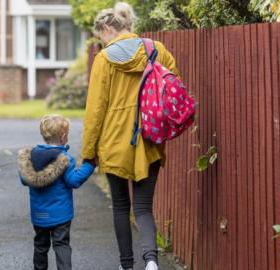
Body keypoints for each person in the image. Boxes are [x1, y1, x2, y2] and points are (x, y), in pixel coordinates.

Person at [81, 2, 181, 270]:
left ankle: (127, 266)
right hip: (149, 138)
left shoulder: (104, 59)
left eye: (100, 36)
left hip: (114, 142)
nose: (100, 42)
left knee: (121, 207)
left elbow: (95, 110)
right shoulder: (156, 50)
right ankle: (151, 262)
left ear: (106, 29)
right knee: (144, 207)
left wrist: (88, 152)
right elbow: (174, 86)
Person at [18, 114, 96, 270]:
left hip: (39, 215)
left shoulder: (31, 158)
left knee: (40, 246)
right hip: (61, 216)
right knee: (61, 245)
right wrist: (89, 166)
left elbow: (24, 180)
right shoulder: (64, 159)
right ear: (64, 136)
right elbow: (73, 181)